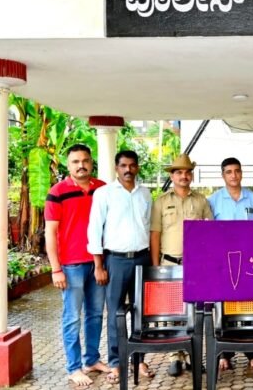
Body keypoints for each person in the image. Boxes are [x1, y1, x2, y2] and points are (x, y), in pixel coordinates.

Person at [44, 144, 110, 386]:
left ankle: (91, 360)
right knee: (72, 317)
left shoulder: (102, 188)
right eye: (75, 161)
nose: (81, 165)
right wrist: (56, 269)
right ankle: (74, 367)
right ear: (68, 164)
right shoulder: (57, 192)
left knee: (95, 314)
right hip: (71, 266)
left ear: (91, 162)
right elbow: (50, 233)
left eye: (85, 160)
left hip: (98, 262)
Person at [87, 150, 154, 384]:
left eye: (132, 165)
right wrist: (98, 265)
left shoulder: (145, 193)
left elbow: (148, 226)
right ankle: (116, 363)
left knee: (141, 312)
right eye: (123, 165)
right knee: (116, 313)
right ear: (117, 168)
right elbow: (95, 229)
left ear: (137, 168)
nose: (128, 170)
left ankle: (139, 359)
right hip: (115, 261)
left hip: (142, 259)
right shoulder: (104, 193)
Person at [150, 153, 213, 376]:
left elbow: (210, 231)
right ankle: (175, 357)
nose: (183, 176)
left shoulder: (202, 201)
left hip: (196, 265)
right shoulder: (161, 202)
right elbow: (155, 235)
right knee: (173, 311)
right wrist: (156, 267)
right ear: (172, 176)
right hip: (169, 263)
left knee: (195, 312)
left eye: (187, 172)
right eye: (179, 172)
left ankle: (193, 356)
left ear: (191, 176)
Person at [208, 157, 253, 372]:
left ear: (242, 173)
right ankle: (225, 354)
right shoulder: (213, 200)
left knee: (250, 306)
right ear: (223, 175)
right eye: (229, 171)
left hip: (249, 262)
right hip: (223, 263)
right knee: (224, 307)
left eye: (237, 171)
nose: (234, 175)